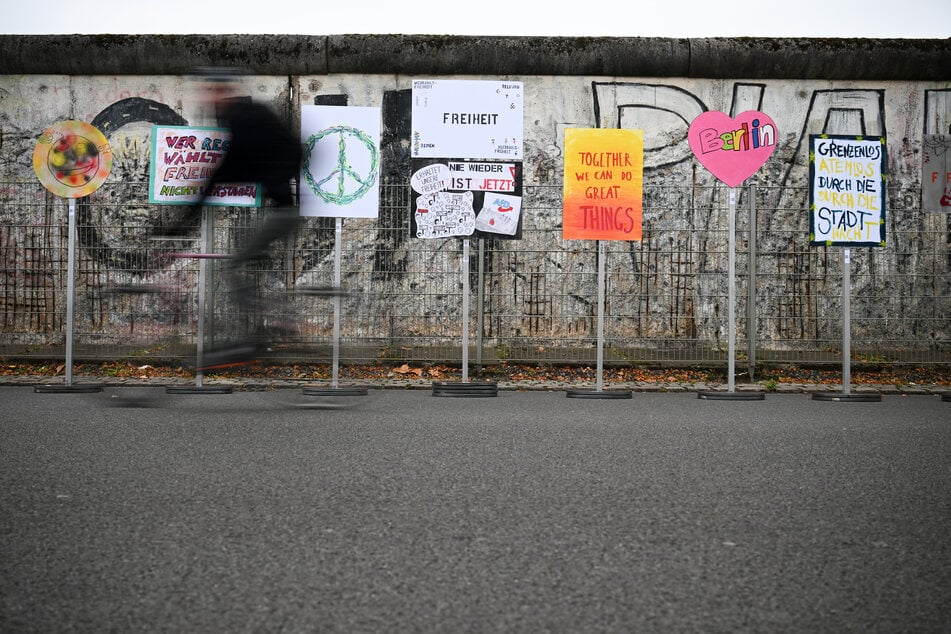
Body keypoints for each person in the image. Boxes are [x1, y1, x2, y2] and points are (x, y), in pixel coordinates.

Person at [161, 68, 303, 371]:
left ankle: (259, 334)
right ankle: (265, 328)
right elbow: (232, 170)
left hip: (283, 212)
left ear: (223, 92)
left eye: (211, 92)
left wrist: (182, 223)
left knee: (234, 264)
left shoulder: (245, 119)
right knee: (242, 260)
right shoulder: (247, 117)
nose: (206, 99)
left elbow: (221, 174)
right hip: (280, 209)